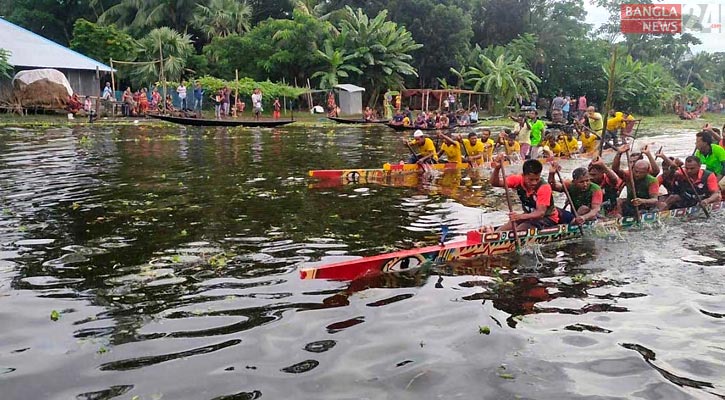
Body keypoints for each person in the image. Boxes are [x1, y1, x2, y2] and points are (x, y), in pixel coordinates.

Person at [490, 157, 561, 230]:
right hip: (529, 216)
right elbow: (495, 183)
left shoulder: (544, 187)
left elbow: (540, 213)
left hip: (548, 218)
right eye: (531, 179)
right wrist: (497, 169)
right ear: (523, 175)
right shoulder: (518, 179)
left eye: (537, 179)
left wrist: (520, 216)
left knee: (521, 229)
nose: (534, 183)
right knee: (508, 226)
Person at [612, 146, 665, 217]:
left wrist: (642, 201)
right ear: (633, 169)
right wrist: (619, 153)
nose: (637, 174)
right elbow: (615, 169)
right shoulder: (628, 175)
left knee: (658, 207)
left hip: (646, 206)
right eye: (636, 171)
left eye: (641, 172)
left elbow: (654, 200)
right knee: (620, 201)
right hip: (630, 205)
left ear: (647, 172)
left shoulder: (652, 180)